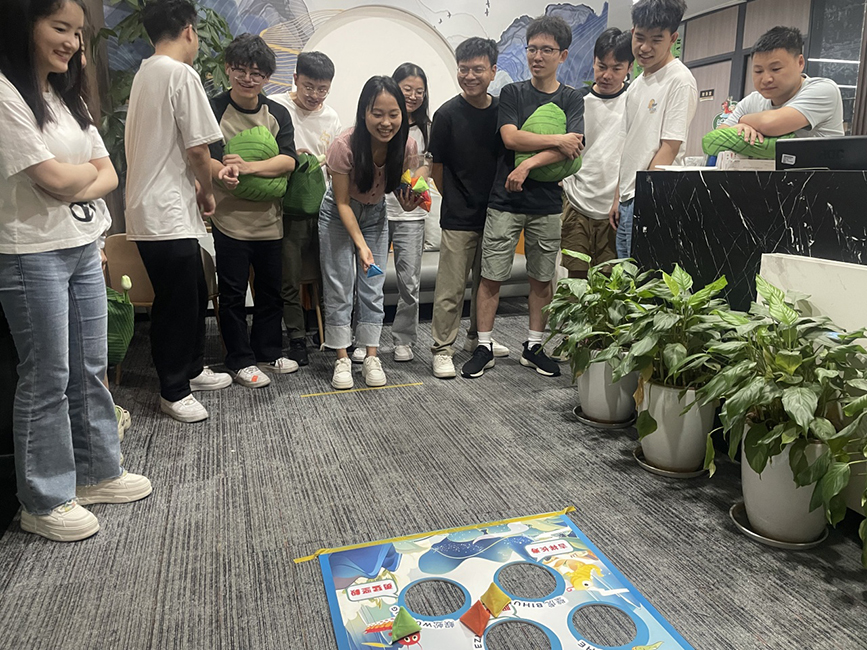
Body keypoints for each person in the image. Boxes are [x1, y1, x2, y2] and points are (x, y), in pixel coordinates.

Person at [0, 0, 151, 542]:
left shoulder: (66, 98)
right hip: (29, 251)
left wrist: (74, 180)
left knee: (90, 365)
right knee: (47, 375)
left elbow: (107, 174)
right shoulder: (6, 93)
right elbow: (53, 179)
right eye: (60, 28)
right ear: (25, 25)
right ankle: (44, 500)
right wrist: (76, 179)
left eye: (78, 33)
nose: (72, 43)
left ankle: (96, 472)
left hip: (84, 243)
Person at [125, 0, 232, 422]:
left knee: (191, 293)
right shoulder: (180, 73)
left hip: (155, 208)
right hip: (166, 211)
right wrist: (207, 193)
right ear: (189, 30)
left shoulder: (145, 73)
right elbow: (198, 149)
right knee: (176, 303)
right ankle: (173, 390)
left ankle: (192, 369)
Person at [462, 15, 584, 380]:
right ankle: (484, 345)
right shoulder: (513, 93)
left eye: (547, 50)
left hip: (547, 204)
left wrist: (528, 164)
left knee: (542, 279)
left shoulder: (571, 98)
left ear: (562, 55)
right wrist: (557, 140)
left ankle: (533, 346)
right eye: (532, 48)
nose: (537, 56)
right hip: (505, 200)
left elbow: (574, 148)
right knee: (491, 276)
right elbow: (511, 137)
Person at [320, 76, 423, 390]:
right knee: (340, 286)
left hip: (375, 214)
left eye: (393, 114)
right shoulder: (344, 146)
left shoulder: (407, 146)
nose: (386, 122)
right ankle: (341, 358)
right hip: (339, 215)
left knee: (373, 285)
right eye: (378, 114)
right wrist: (361, 245)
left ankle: (371, 356)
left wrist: (409, 203)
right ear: (364, 112)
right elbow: (341, 202)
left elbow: (402, 194)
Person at [208, 34, 298, 388]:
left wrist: (246, 167)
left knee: (270, 290)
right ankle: (239, 360)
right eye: (240, 70)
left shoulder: (277, 113)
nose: (248, 79)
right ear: (228, 69)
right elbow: (204, 157)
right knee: (232, 294)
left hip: (269, 221)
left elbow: (288, 160)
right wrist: (222, 172)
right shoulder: (214, 110)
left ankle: (267, 351)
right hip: (228, 219)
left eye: (257, 73)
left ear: (267, 78)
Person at [428, 37, 510, 379]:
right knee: (450, 290)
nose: (470, 76)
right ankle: (442, 348)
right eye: (464, 69)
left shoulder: (503, 112)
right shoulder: (446, 114)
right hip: (458, 217)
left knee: (486, 284)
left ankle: (478, 339)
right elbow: (436, 168)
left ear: (493, 71)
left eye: (478, 69)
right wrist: (456, 198)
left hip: (497, 213)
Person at [269, 51, 342, 367]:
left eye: (322, 89)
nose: (315, 95)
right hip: (287, 209)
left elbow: (336, 165)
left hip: (323, 208)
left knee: (330, 276)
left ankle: (333, 334)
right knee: (290, 278)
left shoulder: (332, 118)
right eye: (309, 86)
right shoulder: (276, 107)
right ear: (295, 79)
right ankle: (296, 338)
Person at [612, 0, 697, 259]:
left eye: (656, 40)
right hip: (628, 198)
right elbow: (627, 144)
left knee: (643, 276)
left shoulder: (680, 80)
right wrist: (618, 196)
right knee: (625, 275)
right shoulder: (637, 84)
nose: (645, 48)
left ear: (672, 39)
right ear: (632, 33)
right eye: (639, 38)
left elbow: (670, 147)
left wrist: (645, 201)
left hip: (651, 197)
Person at [561, 28, 633, 279]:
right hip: (576, 202)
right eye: (601, 66)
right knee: (575, 281)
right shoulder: (576, 101)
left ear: (629, 67)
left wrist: (620, 198)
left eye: (616, 68)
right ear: (593, 62)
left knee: (609, 284)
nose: (607, 75)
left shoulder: (633, 101)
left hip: (615, 207)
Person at [383, 63, 432, 363]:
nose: (413, 96)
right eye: (407, 89)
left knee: (409, 282)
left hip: (412, 215)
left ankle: (403, 339)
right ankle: (363, 337)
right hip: (379, 211)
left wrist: (419, 177)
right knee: (369, 278)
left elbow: (429, 163)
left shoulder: (426, 127)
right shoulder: (384, 121)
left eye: (419, 91)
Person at [719, 26, 844, 143]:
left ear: (800, 63)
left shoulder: (823, 90)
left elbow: (770, 124)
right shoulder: (752, 101)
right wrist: (739, 127)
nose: (766, 79)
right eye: (758, 71)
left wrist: (742, 120)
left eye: (775, 69)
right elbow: (717, 137)